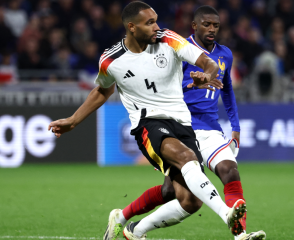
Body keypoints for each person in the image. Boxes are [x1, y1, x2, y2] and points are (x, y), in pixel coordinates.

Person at [48, 2, 246, 240]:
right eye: (149, 23)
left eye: (156, 20)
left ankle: (130, 227)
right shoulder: (111, 60)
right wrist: (73, 121)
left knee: (189, 200)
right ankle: (227, 215)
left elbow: (210, 63)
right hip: (148, 124)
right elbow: (102, 91)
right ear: (132, 27)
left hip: (182, 123)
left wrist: (206, 75)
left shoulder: (169, 39)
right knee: (187, 158)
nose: (157, 27)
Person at [104, 5, 266, 240]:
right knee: (172, 191)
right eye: (207, 25)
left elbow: (227, 89)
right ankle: (127, 222)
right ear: (195, 26)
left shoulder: (225, 55)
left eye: (216, 25)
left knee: (229, 171)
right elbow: (160, 88)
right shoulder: (175, 48)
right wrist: (191, 85)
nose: (212, 29)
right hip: (180, 124)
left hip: (209, 128)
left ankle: (239, 233)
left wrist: (236, 126)